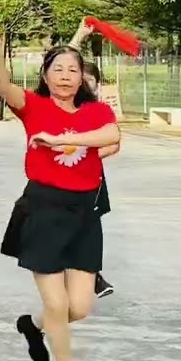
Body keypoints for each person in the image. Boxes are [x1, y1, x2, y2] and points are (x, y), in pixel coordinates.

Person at [0, 20, 120, 361]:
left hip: (84, 215)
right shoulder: (34, 107)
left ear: (82, 77)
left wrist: (62, 140)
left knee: (79, 307)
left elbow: (111, 135)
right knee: (57, 304)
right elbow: (4, 86)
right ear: (45, 75)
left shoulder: (94, 112)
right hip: (43, 210)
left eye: (73, 69)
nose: (65, 76)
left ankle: (32, 325)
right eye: (57, 69)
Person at [71, 19, 119, 298]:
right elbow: (57, 60)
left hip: (91, 177)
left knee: (90, 227)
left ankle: (93, 275)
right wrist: (79, 36)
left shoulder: (100, 113)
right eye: (82, 80)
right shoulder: (63, 106)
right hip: (60, 179)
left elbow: (113, 144)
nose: (86, 86)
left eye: (91, 82)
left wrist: (85, 154)